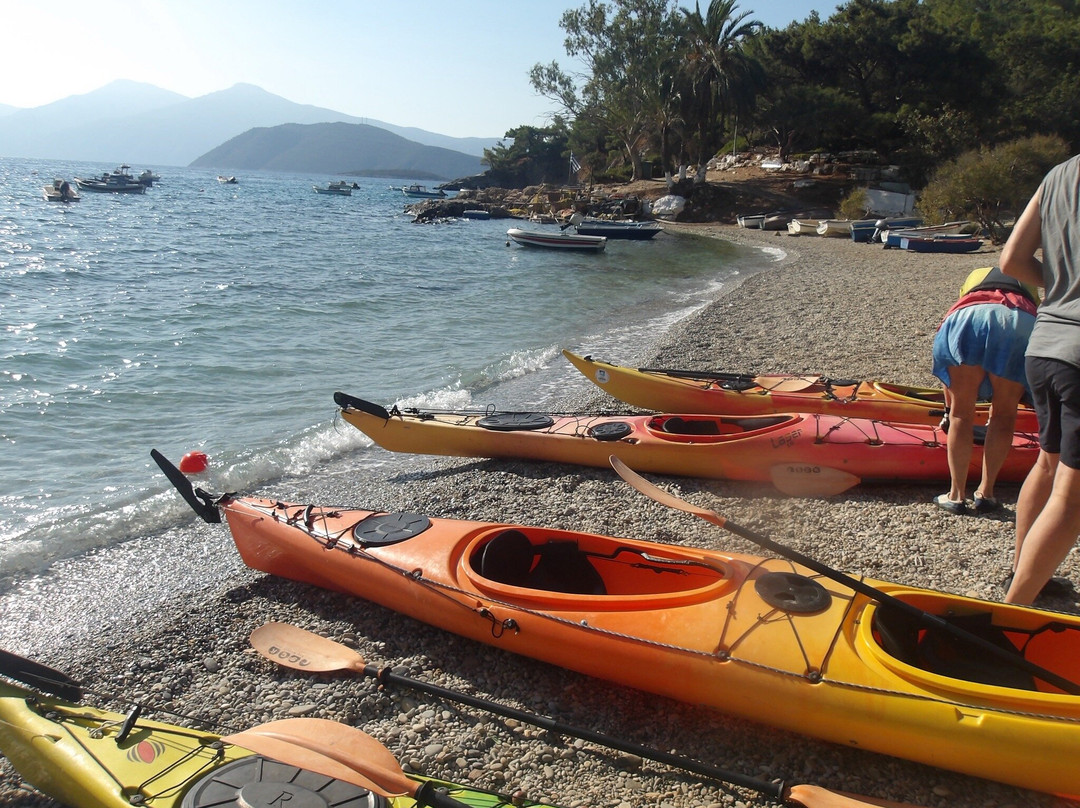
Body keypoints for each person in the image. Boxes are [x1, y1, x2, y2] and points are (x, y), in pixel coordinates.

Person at [1000, 153, 1080, 604]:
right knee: (1071, 499)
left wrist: (1062, 290)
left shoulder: (1058, 174)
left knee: (1047, 464)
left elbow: (1012, 259)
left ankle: (1023, 572)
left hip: (1044, 343)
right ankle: (1010, 617)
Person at [931, 266, 1039, 514]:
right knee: (1003, 415)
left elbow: (962, 304)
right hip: (1019, 321)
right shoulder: (1028, 279)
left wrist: (948, 410)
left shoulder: (975, 275)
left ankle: (955, 496)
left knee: (961, 414)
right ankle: (986, 493)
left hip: (968, 317)